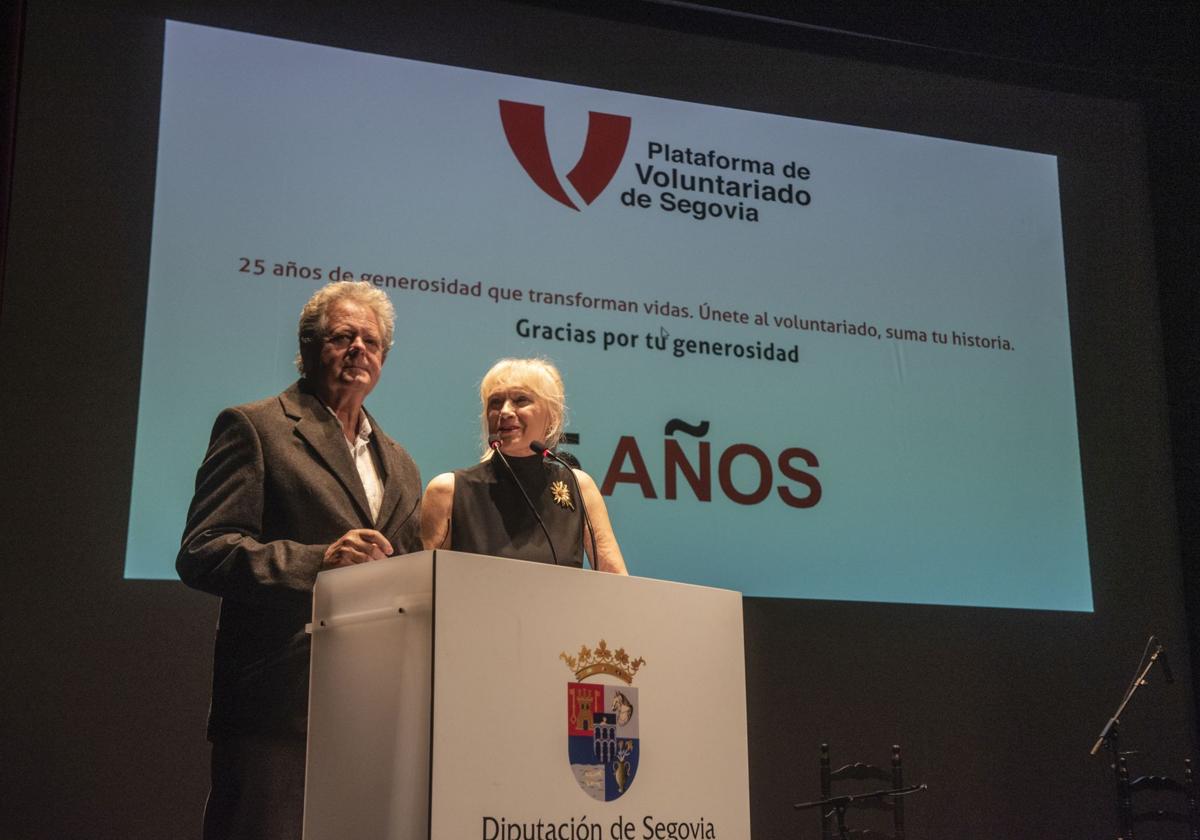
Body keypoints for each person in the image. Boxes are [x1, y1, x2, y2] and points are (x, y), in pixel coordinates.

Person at [177, 281, 422, 840]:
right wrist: (319, 562)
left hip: (373, 711)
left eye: (372, 340)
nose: (359, 349)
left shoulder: (402, 464)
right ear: (308, 348)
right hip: (279, 708)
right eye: (342, 337)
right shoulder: (257, 428)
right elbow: (203, 550)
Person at [420, 358, 627, 574]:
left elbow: (618, 582)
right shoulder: (449, 491)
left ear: (552, 416)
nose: (505, 412)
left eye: (520, 400)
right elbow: (425, 587)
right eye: (495, 402)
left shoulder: (578, 486)